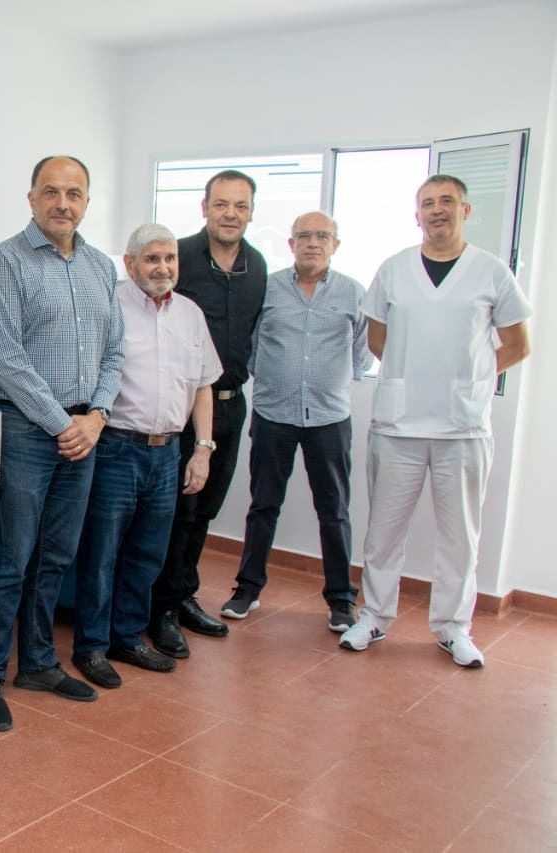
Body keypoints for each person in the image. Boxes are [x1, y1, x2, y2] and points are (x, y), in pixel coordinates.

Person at [340, 175, 532, 668]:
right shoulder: (395, 269)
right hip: (398, 425)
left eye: (447, 201)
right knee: (383, 531)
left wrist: (467, 379)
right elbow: (378, 341)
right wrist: (415, 376)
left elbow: (517, 345)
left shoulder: (491, 271)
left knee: (460, 536)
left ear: (465, 210)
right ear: (417, 214)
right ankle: (374, 616)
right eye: (428, 203)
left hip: (462, 428)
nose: (437, 210)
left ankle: (454, 629)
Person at [0, 155, 125, 733]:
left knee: (56, 556)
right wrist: (63, 422)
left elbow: (115, 351)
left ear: (87, 201)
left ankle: (37, 662)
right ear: (31, 198)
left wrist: (98, 416)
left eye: (75, 193)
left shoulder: (100, 266)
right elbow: (4, 355)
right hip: (27, 432)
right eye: (52, 192)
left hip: (85, 434)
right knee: (12, 558)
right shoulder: (5, 262)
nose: (64, 203)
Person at [71, 224, 221, 687]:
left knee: (148, 553)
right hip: (117, 447)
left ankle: (127, 636)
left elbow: (203, 386)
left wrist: (203, 448)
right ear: (130, 262)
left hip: (168, 452)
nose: (163, 267)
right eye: (152, 258)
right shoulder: (108, 305)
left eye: (170, 258)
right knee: (101, 554)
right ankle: (91, 647)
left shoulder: (191, 313)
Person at [221, 212, 371, 631]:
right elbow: (250, 347)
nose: (312, 242)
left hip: (329, 418)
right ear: (291, 244)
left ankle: (341, 599)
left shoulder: (353, 293)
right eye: (304, 235)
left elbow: (362, 353)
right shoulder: (267, 289)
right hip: (274, 415)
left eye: (322, 236)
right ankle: (247, 588)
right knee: (263, 505)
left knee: (334, 511)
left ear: (335, 245)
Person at [150, 169, 268, 660]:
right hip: (180, 407)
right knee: (176, 511)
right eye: (221, 204)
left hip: (230, 406)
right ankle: (158, 611)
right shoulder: (178, 256)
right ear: (204, 207)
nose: (230, 214)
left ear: (251, 212)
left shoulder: (257, 266)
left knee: (206, 511)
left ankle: (183, 595)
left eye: (240, 206)